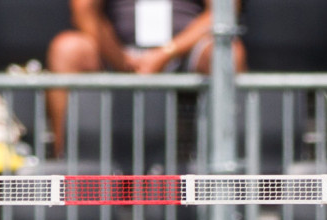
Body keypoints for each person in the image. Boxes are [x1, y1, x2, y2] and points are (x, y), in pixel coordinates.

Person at [45, 0, 245, 140]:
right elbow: (84, 9)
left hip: (186, 50)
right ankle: (66, 162)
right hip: (118, 52)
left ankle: (225, 162)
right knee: (67, 49)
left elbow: (223, 11)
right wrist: (120, 59)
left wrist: (165, 53)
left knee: (228, 54)